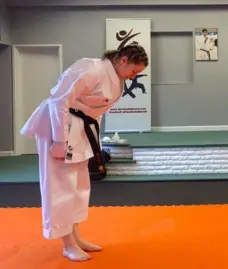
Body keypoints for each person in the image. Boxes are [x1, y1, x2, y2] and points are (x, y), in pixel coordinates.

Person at [20, 43, 149, 262]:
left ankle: (76, 236)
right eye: (135, 71)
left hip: (80, 129)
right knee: (61, 185)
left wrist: (93, 142)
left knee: (79, 184)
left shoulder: (115, 78)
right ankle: (67, 244)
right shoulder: (91, 70)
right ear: (124, 60)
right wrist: (59, 140)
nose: (134, 76)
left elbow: (94, 112)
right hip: (58, 125)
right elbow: (59, 101)